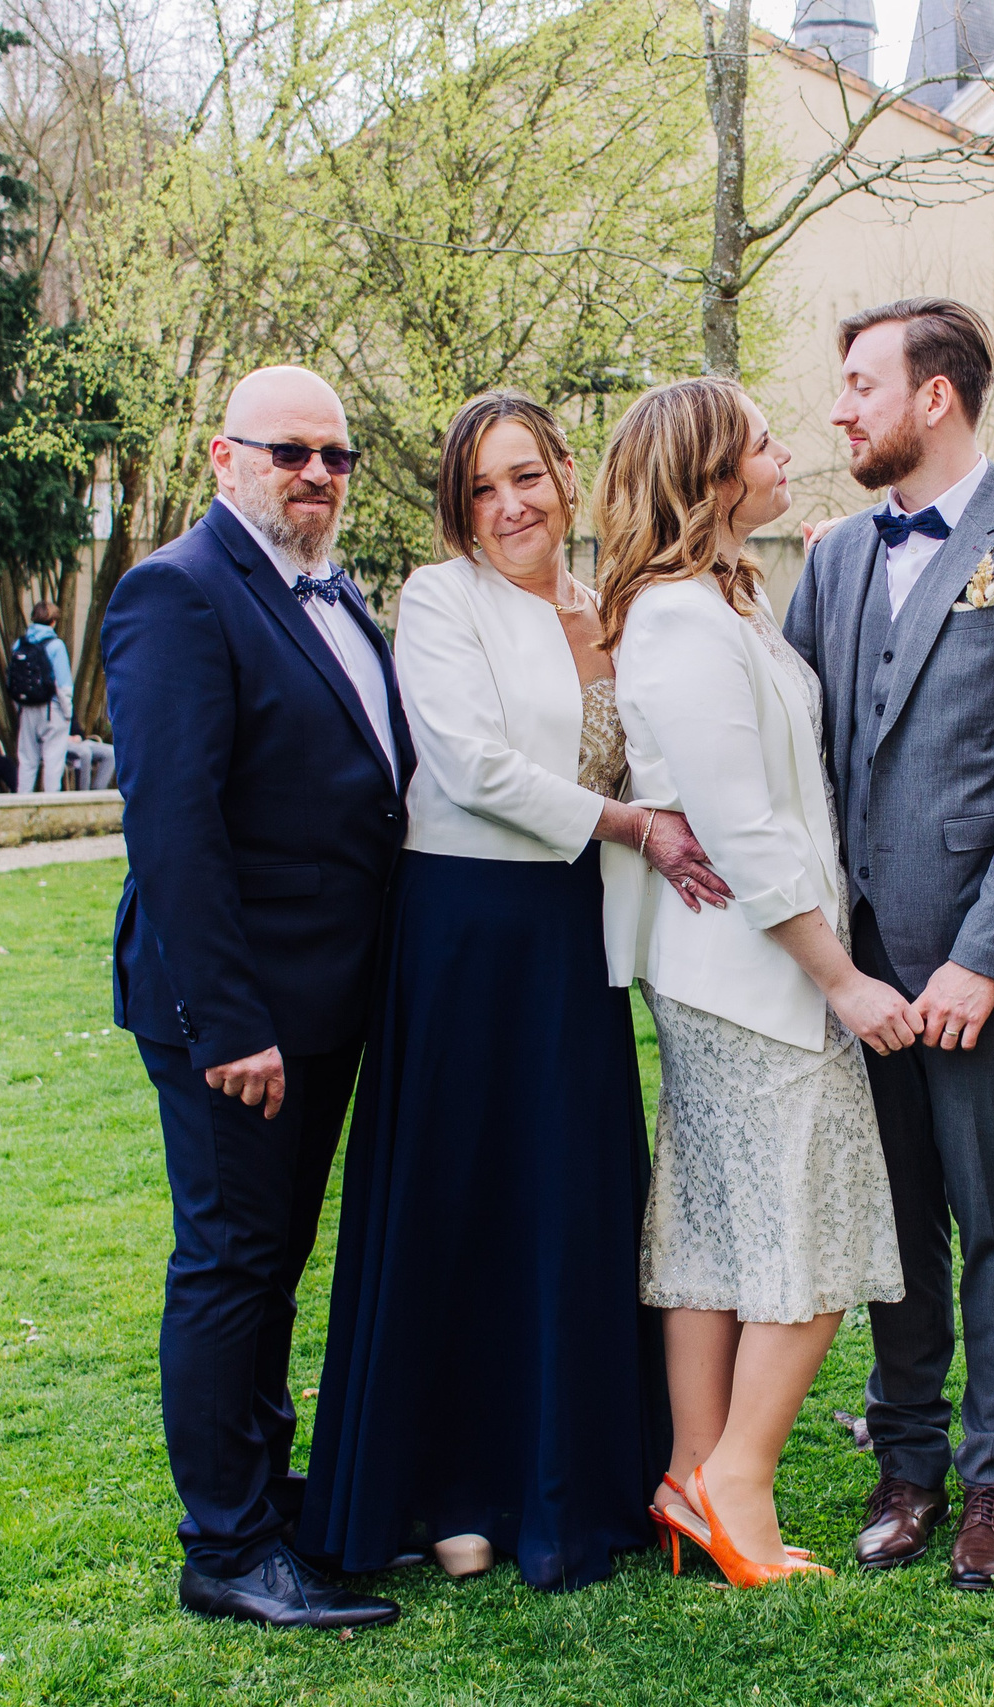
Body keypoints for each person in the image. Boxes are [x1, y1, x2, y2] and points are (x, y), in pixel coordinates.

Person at [298, 393, 722, 1592]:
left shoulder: (612, 607)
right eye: (481, 489)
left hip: (570, 937)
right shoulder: (442, 600)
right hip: (465, 930)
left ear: (566, 474)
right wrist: (637, 825)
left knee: (565, 1200)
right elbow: (474, 767)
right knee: (462, 1200)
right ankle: (448, 1489)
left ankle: (571, 1478)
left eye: (525, 477)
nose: (509, 507)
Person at [783, 298, 994, 1588]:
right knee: (893, 1223)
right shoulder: (833, 560)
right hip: (860, 967)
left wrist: (983, 956)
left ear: (935, 397)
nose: (840, 409)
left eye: (860, 384)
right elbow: (805, 749)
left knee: (992, 1222)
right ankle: (906, 1463)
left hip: (987, 962)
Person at [101, 364, 416, 1630]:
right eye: (290, 453)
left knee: (273, 1261)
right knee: (230, 1262)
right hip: (239, 1017)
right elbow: (171, 826)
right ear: (223, 458)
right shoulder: (177, 592)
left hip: (326, 1000)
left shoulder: (332, 591)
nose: (318, 475)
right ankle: (226, 1550)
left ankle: (266, 1494)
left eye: (336, 456)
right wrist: (230, 1024)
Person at [598, 375, 912, 1589]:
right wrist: (841, 980)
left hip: (733, 970)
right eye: (765, 445)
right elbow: (740, 824)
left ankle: (691, 1475)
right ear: (712, 476)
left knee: (719, 1230)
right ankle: (739, 1479)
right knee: (811, 1230)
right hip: (757, 975)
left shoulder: (723, 600)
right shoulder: (680, 621)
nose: (789, 456)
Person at [10, 600, 74, 793]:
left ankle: (22, 802)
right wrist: (67, 713)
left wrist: (20, 707)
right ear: (53, 621)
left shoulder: (19, 644)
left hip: (26, 709)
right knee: (53, 760)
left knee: (27, 759)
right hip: (51, 709)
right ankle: (51, 803)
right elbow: (62, 684)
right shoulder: (56, 645)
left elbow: (14, 679)